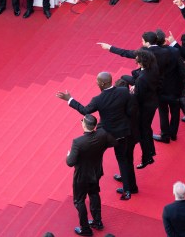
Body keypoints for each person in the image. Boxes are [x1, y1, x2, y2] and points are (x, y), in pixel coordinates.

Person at [56, 72, 138, 201]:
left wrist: (69, 99)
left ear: (102, 83)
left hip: (105, 135)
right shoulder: (124, 91)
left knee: (95, 155)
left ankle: (92, 180)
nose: (96, 83)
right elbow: (130, 109)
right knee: (123, 160)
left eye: (97, 81)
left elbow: (85, 111)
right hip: (123, 133)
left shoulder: (98, 100)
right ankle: (128, 190)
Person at [66, 114, 117, 236]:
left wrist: (68, 155)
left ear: (84, 124)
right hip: (96, 171)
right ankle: (97, 222)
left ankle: (85, 229)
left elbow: (70, 162)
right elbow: (114, 143)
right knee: (94, 194)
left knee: (79, 201)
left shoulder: (78, 142)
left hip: (82, 176)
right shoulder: (102, 134)